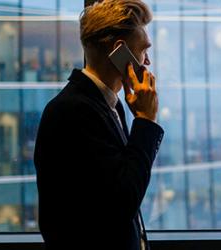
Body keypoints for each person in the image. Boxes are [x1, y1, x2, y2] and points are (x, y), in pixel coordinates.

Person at [33, 0, 163, 249]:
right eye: (144, 50)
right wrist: (146, 122)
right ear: (120, 51)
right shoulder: (72, 110)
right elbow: (122, 202)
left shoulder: (108, 105)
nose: (146, 62)